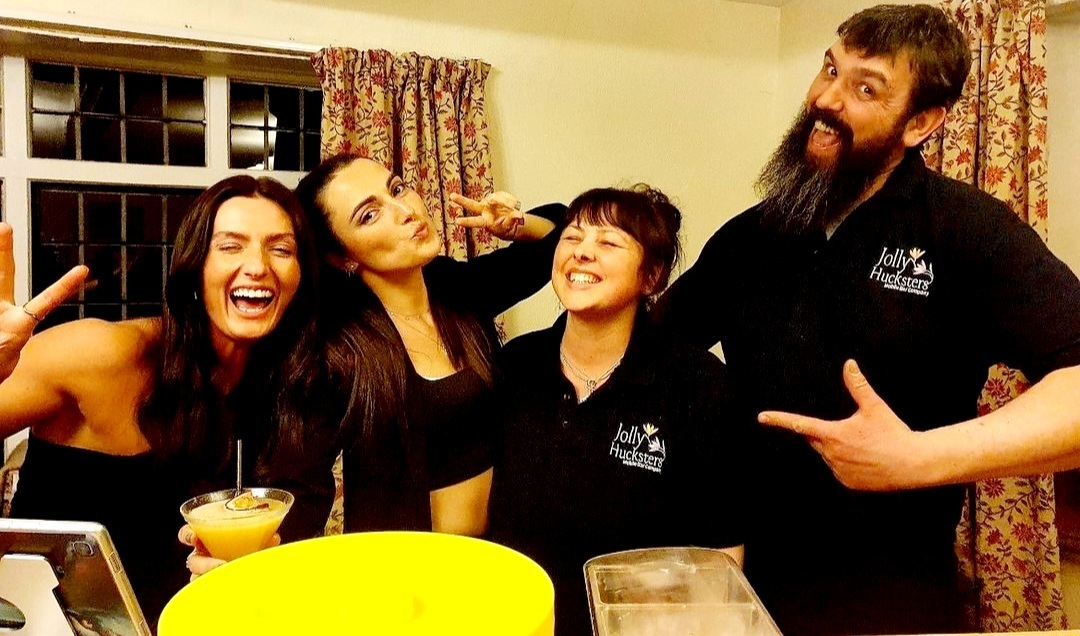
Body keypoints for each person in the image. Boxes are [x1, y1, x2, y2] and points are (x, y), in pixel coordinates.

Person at [659, 4, 1080, 634]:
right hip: (743, 584)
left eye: (865, 88)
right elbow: (655, 348)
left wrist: (915, 458)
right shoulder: (755, 234)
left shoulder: (967, 231)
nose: (825, 99)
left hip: (892, 599)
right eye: (830, 69)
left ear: (921, 123)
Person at [0, 175, 335, 623]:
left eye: (281, 249)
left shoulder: (290, 391)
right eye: (230, 246)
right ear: (194, 268)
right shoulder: (101, 355)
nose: (258, 265)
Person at [489, 185, 747, 636]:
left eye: (608, 243)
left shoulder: (698, 383)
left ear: (652, 277)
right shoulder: (515, 364)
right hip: (521, 621)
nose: (582, 252)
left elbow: (720, 559)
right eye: (572, 237)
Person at [293, 153, 563, 535]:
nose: (405, 211)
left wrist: (515, 224)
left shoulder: (456, 289)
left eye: (397, 189)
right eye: (369, 215)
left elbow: (561, 234)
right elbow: (299, 484)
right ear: (341, 258)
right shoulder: (339, 347)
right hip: (407, 564)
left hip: (499, 554)